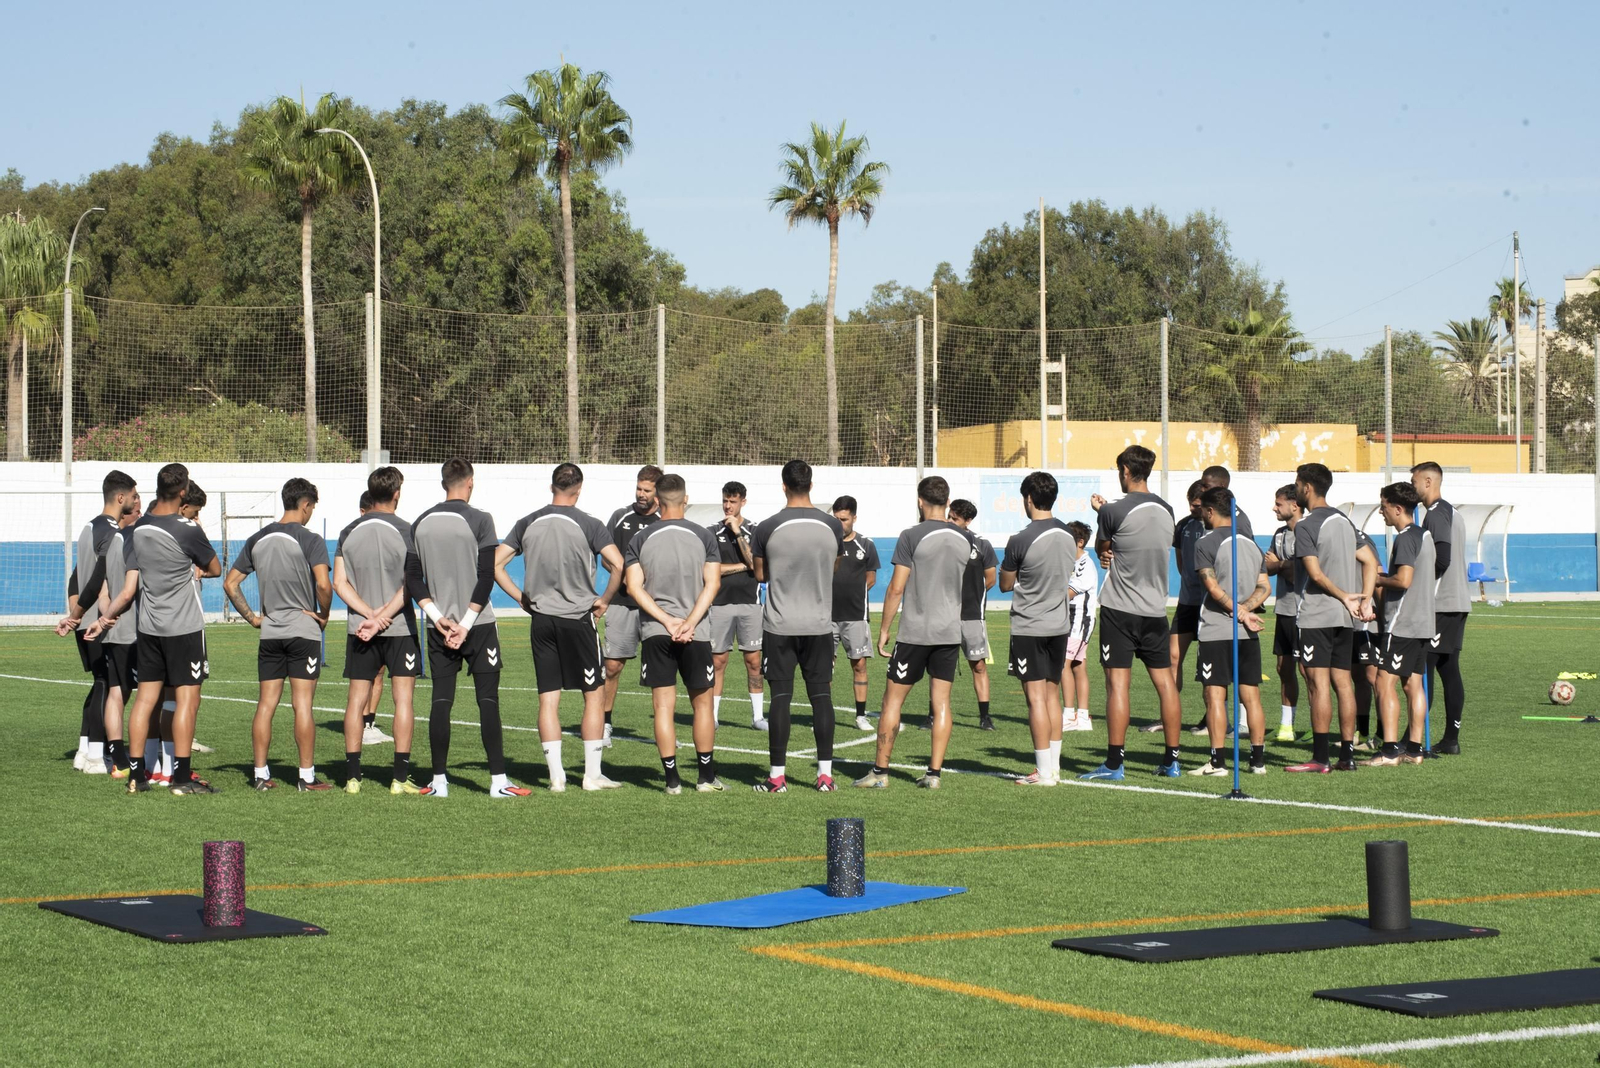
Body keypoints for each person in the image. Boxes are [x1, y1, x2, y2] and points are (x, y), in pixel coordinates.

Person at [82, 463, 222, 794]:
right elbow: (214, 567)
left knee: (145, 700)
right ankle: (182, 779)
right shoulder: (187, 529)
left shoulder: (138, 528)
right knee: (187, 700)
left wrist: (102, 619)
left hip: (147, 628)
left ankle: (136, 776)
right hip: (184, 627)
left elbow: (128, 590)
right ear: (183, 491)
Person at [496, 462, 625, 792]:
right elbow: (618, 564)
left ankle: (556, 778)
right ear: (579, 490)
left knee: (548, 699)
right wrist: (605, 600)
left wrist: (521, 598)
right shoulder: (589, 523)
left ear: (552, 486)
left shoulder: (528, 521)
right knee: (593, 695)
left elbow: (496, 563)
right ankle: (592, 775)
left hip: (542, 621)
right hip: (578, 619)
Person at [409, 459, 529, 799]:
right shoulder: (481, 519)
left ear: (443, 483)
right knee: (488, 701)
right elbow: (486, 576)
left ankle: (439, 782)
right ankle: (498, 782)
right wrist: (464, 625)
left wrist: (437, 617)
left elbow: (413, 578)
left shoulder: (420, 522)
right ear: (470, 482)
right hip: (477, 624)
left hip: (440, 627)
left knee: (440, 700)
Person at [854, 476, 977, 790]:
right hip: (949, 632)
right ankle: (934, 774)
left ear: (920, 501)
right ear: (947, 502)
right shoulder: (965, 538)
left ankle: (880, 772)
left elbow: (896, 588)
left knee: (892, 702)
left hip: (915, 633)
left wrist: (884, 630)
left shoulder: (911, 535)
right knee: (942, 703)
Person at [223, 478, 333, 791]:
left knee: (266, 704)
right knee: (302, 705)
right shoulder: (310, 539)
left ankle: (260, 775)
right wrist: (324, 614)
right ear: (306, 505)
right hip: (303, 631)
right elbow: (324, 584)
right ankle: (306, 777)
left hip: (270, 633)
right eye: (312, 507)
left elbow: (230, 583)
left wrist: (253, 619)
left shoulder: (258, 538)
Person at [1082, 446, 1183, 780]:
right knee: (1166, 684)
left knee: (1117, 685)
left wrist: (1102, 514)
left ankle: (1114, 763)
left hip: (1120, 609)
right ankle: (1172, 760)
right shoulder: (1167, 509)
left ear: (1125, 470)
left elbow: (1103, 548)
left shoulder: (1113, 511)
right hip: (1155, 610)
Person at [748, 460, 846, 793]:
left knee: (780, 698)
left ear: (784, 486)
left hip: (780, 625)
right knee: (821, 697)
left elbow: (760, 574)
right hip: (818, 624)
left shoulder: (767, 527)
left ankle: (777, 778)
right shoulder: (832, 526)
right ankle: (825, 776)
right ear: (811, 485)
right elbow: (834, 566)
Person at [623, 474, 723, 794]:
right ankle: (705, 778)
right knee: (702, 706)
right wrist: (689, 622)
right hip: (696, 632)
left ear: (657, 502)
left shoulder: (640, 538)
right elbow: (713, 584)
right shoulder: (704, 536)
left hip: (656, 631)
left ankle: (672, 781)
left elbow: (633, 587)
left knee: (663, 707)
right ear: (686, 499)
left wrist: (667, 621)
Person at [1285, 463, 1378, 774]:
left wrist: (1345, 596)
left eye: (1297, 484)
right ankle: (1347, 756)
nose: (1296, 489)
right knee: (1344, 683)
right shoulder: (1344, 520)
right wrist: (1364, 599)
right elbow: (1370, 561)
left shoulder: (1306, 525)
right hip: (1344, 618)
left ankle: (1321, 757)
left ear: (1307, 487)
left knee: (1317, 685)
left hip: (1317, 615)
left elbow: (1314, 574)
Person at [335, 466, 421, 794]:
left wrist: (368, 614)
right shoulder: (409, 531)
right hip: (398, 627)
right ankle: (399, 778)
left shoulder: (348, 532)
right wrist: (382, 616)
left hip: (360, 628)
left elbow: (339, 582)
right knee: (403, 701)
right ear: (397, 494)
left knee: (355, 700)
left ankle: (352, 778)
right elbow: (411, 584)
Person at [56, 470, 139, 776]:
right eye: (134, 496)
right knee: (107, 684)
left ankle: (84, 750)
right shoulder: (111, 532)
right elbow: (95, 580)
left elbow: (76, 577)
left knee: (100, 684)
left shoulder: (90, 527)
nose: (135, 501)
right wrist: (84, 615)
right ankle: (94, 755)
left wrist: (74, 611)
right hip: (99, 623)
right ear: (121, 497)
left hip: (87, 620)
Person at [998, 472, 1078, 786]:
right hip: (1058, 624)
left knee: (1035, 699)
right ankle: (1053, 768)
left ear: (1029, 499)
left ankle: (1043, 772)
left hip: (1029, 625)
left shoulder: (1020, 539)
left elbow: (1005, 584)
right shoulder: (1068, 534)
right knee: (1052, 695)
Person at [1188, 487, 1271, 776]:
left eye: (1202, 510)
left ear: (1210, 511)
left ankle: (1217, 762)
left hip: (1216, 630)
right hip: (1247, 632)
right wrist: (1246, 611)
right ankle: (1257, 761)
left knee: (1214, 696)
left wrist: (1239, 612)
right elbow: (1265, 587)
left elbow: (1212, 588)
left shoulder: (1205, 542)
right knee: (1251, 696)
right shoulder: (1252, 544)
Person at [1366, 482, 1436, 767]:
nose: (1381, 512)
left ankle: (1389, 751)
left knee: (1384, 682)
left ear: (1397, 508)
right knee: (1413, 684)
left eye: (1383, 507)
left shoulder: (1406, 538)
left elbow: (1404, 580)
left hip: (1402, 623)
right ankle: (1415, 750)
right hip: (1424, 622)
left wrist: (1377, 578)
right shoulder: (1425, 535)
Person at [601, 465, 663, 746]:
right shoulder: (620, 517)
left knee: (660, 669)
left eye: (646, 490)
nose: (641, 494)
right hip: (622, 603)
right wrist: (625, 577)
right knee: (613, 665)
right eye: (638, 488)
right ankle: (605, 724)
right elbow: (606, 556)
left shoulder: (665, 520)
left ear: (658, 492)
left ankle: (662, 728)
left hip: (656, 606)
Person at [1412, 461, 1470, 754]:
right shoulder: (1452, 512)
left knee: (1425, 667)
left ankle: (1413, 739)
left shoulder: (1435, 513)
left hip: (1441, 603)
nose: (1412, 488)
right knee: (1449, 669)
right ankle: (1450, 739)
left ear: (1428, 482)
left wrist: (1416, 582)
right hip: (1456, 601)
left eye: (1414, 482)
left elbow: (1442, 559)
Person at [708, 482, 766, 731]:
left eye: (732, 501)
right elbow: (711, 570)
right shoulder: (712, 532)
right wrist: (743, 567)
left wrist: (737, 532)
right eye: (725, 500)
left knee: (754, 661)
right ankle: (712, 716)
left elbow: (757, 564)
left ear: (743, 501)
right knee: (717, 661)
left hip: (750, 605)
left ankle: (757, 717)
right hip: (719, 604)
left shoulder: (756, 530)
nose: (727, 506)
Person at [830, 496, 880, 731]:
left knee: (859, 665)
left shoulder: (866, 545)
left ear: (854, 518)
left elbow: (871, 578)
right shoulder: (826, 543)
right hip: (825, 617)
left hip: (856, 616)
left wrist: (852, 592)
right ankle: (823, 716)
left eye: (844, 519)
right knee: (824, 668)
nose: (840, 524)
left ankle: (861, 716)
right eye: (836, 519)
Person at [948, 498, 998, 732]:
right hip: (944, 614)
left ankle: (985, 717)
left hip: (972, 616)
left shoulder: (981, 545)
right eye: (949, 516)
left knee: (978, 666)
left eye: (955, 518)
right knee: (940, 667)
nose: (950, 521)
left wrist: (973, 595)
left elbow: (991, 578)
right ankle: (932, 715)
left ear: (968, 521)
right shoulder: (942, 541)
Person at [1262, 485, 1305, 743]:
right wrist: (1283, 565)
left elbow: (1299, 571)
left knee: (1309, 671)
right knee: (1283, 667)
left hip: (1305, 611)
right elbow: (1267, 567)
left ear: (1294, 505)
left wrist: (1280, 564)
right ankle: (1287, 726)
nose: (1274, 508)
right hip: (1284, 610)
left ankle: (1317, 728)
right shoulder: (1279, 534)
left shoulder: (1307, 532)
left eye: (1278, 504)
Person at [1165, 482, 1207, 735]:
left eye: (1197, 504)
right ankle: (1169, 716)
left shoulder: (1216, 526)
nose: (1192, 508)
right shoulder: (1183, 526)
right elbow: (1181, 564)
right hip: (1187, 602)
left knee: (1209, 665)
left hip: (1210, 606)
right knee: (1172, 657)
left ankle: (1212, 718)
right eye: (1190, 502)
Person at [356, 490, 393, 747]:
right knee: (364, 676)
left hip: (385, 615)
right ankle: (360, 725)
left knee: (380, 673)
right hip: (364, 617)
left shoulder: (387, 537)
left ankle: (369, 724)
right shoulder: (353, 538)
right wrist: (368, 612)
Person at [1061, 520, 1097, 733]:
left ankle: (1068, 714)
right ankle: (1082, 717)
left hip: (1079, 618)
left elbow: (1070, 592)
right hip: (1070, 617)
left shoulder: (1085, 564)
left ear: (1080, 542)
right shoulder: (1067, 561)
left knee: (1062, 664)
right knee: (1077, 665)